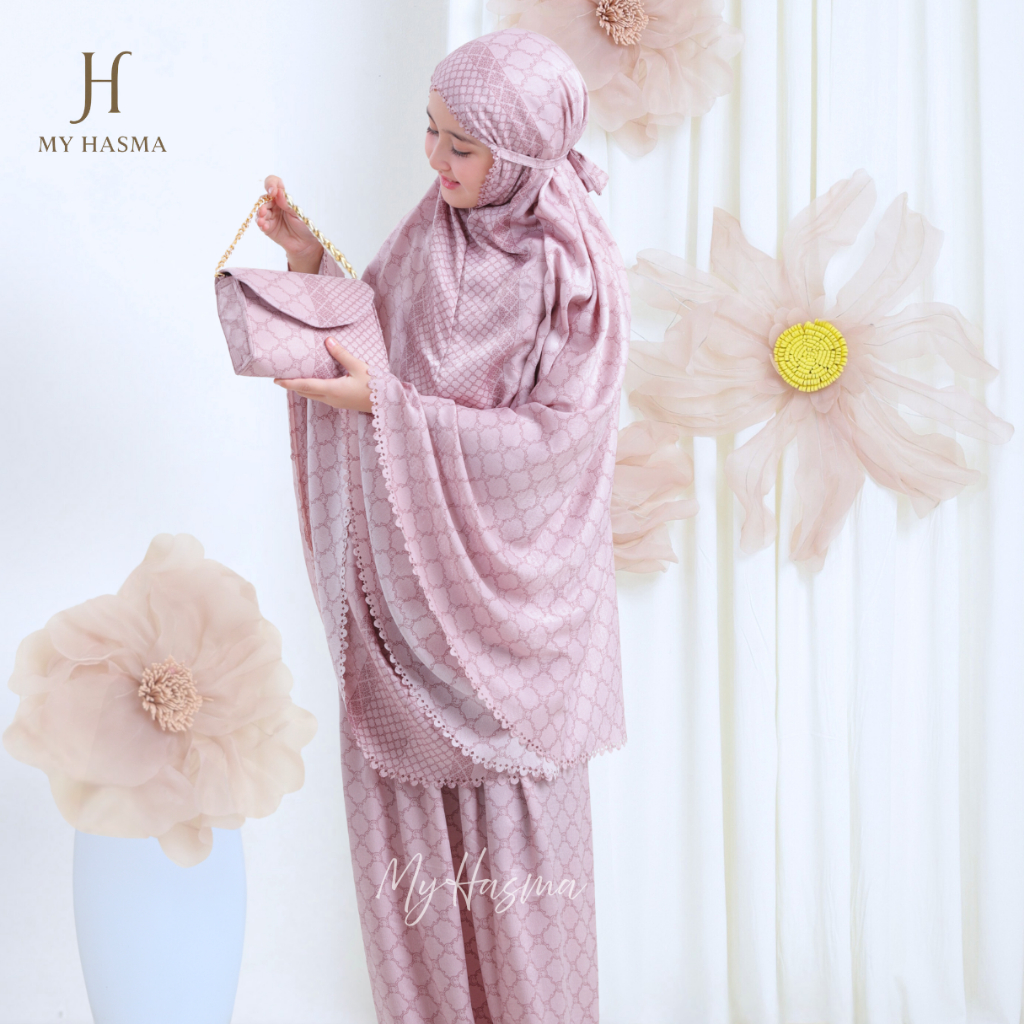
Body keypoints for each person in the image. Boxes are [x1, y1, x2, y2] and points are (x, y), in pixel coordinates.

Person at [256, 28, 629, 1024]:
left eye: (461, 146)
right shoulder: (430, 229)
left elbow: (557, 443)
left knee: (524, 874)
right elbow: (379, 342)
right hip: (404, 616)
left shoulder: (573, 273)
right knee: (411, 870)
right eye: (430, 130)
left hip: (509, 636)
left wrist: (389, 409)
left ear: (521, 154)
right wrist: (309, 263)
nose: (435, 159)